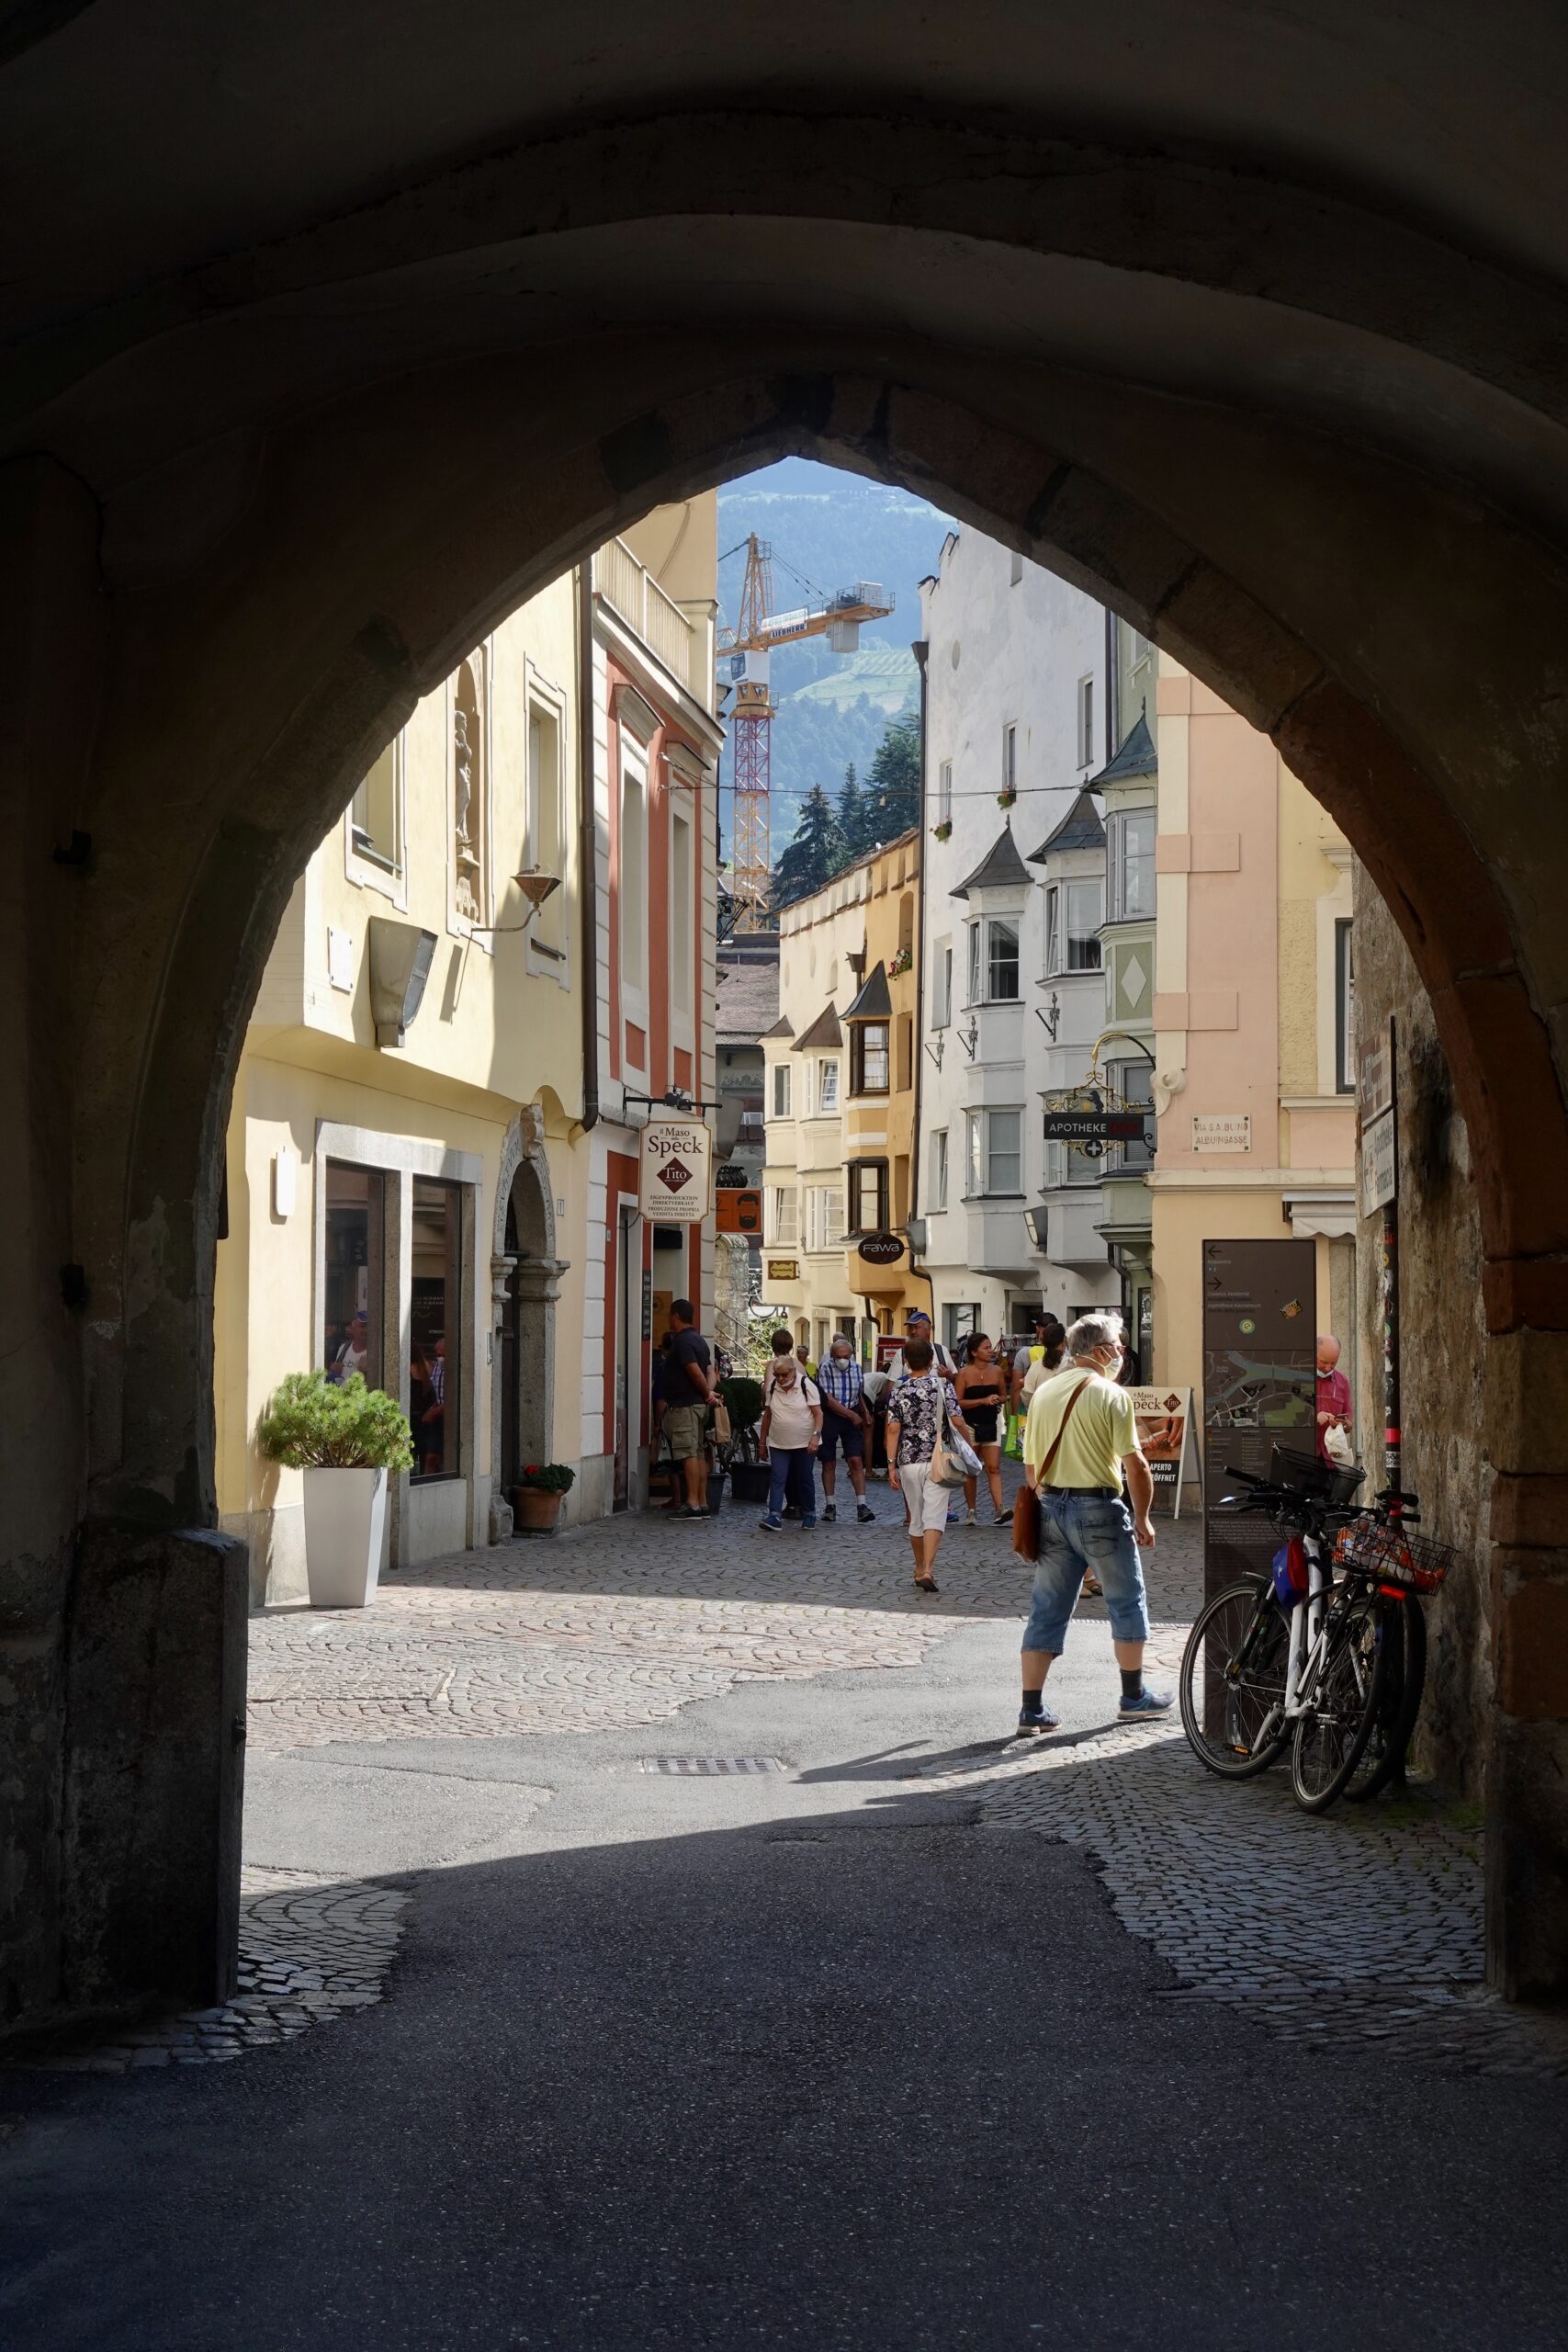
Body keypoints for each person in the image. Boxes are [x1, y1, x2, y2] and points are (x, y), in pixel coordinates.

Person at [1017, 1311, 1170, 1733]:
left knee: (1047, 1607)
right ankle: (1133, 1695)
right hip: (1098, 1506)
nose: (1122, 1354)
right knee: (1125, 1597)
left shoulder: (1045, 1392)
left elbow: (1030, 1470)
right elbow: (1135, 1465)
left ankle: (1031, 1709)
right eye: (1119, 1347)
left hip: (1050, 1508)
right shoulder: (1110, 1394)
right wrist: (1143, 1517)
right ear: (1101, 1351)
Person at [886, 1337, 972, 1594]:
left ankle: (918, 1565)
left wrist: (891, 1465)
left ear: (907, 1362)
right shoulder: (943, 1386)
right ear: (932, 1361)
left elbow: (892, 1429)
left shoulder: (899, 1390)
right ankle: (928, 1570)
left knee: (916, 1516)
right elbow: (957, 1421)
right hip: (937, 1458)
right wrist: (967, 1446)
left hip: (909, 1461)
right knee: (935, 1515)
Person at [757, 1352, 822, 1532]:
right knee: (778, 1478)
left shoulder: (806, 1385)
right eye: (777, 1374)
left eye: (784, 1374)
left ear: (793, 1371)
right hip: (778, 1442)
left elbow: (818, 1414)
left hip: (804, 1442)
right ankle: (774, 1515)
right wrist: (762, 1443)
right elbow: (767, 1415)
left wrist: (815, 1436)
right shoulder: (773, 1387)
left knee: (804, 1478)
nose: (780, 1378)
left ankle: (809, 1514)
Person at [664, 1298, 716, 1519]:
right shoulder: (699, 1340)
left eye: (669, 1315)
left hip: (685, 1405)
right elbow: (711, 1371)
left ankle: (692, 1503)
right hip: (698, 1405)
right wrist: (709, 1393)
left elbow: (694, 1370)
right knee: (698, 1453)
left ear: (676, 1315)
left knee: (688, 1454)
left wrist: (706, 1393)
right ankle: (702, 1502)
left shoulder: (683, 1341)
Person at [817, 1335, 875, 1522]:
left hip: (851, 1413)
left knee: (856, 1460)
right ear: (833, 1355)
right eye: (839, 1356)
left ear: (851, 1355)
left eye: (846, 1356)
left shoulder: (857, 1369)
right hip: (832, 1416)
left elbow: (858, 1393)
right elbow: (829, 1399)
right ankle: (830, 1505)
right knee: (829, 1462)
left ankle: (862, 1505)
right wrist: (851, 1415)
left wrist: (864, 1411)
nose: (843, 1360)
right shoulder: (825, 1369)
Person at [954, 1333, 1009, 1526]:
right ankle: (971, 1510)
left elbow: (1004, 1395)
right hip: (969, 1426)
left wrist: (998, 1399)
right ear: (974, 1352)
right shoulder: (964, 1373)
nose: (990, 1350)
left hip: (991, 1424)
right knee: (972, 1469)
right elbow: (958, 1402)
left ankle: (999, 1508)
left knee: (994, 1467)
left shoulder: (997, 1371)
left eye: (990, 1347)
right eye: (986, 1348)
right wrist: (982, 1401)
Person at [887, 1309, 956, 1387]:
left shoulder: (942, 1351)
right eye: (910, 1328)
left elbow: (957, 1382)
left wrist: (949, 1376)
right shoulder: (902, 1353)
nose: (913, 1331)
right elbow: (891, 1387)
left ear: (928, 1329)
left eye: (917, 1327)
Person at [1315, 1332, 1353, 1463]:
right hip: (1302, 1457)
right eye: (1324, 1362)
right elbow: (1282, 1419)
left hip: (1330, 1460)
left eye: (1333, 1363)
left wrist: (1342, 1424)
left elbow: (1349, 1425)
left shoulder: (1342, 1382)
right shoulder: (1297, 1378)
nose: (1327, 1368)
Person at [329, 1312, 370, 1385]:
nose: (366, 1330)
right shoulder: (344, 1348)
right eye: (362, 1326)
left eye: (369, 1327)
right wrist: (334, 1372)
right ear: (351, 1328)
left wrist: (364, 1373)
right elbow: (336, 1378)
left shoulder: (374, 1353)